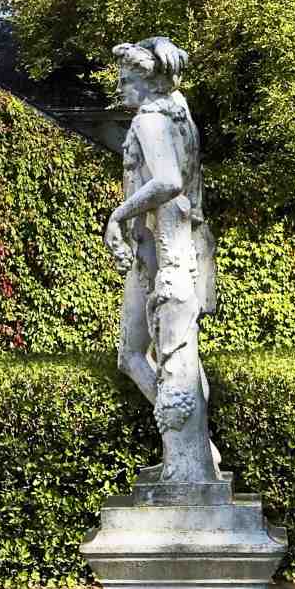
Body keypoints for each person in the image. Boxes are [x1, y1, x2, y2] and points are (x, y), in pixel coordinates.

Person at [104, 36, 220, 487]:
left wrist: (120, 213)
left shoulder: (152, 120)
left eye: (126, 80)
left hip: (166, 255)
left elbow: (169, 181)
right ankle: (197, 453)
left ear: (147, 82)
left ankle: (187, 469)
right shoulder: (176, 110)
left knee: (174, 361)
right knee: (136, 355)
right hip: (164, 250)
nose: (120, 88)